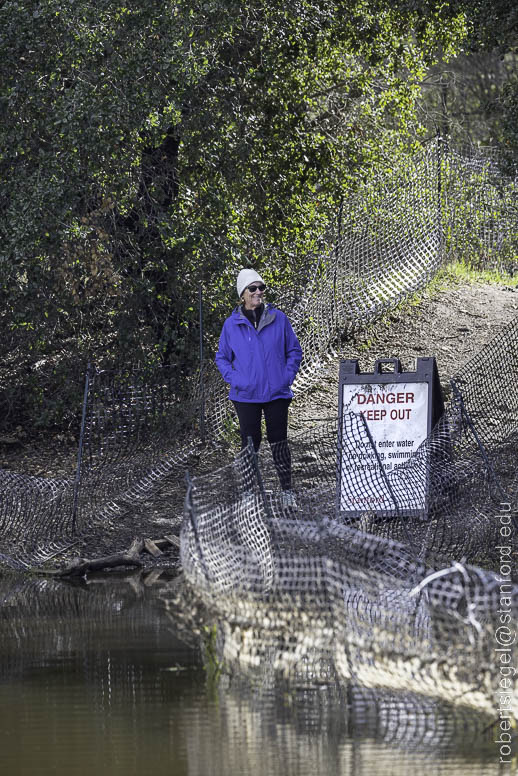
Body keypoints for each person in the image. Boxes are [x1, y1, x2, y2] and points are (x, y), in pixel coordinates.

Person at [215, 268, 302, 507]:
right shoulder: (231, 325)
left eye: (261, 287)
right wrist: (236, 380)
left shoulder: (278, 318)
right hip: (245, 395)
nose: (258, 292)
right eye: (252, 288)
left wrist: (285, 377)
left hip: (277, 393)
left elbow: (294, 351)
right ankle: (247, 495)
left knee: (279, 441)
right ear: (242, 294)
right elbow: (222, 358)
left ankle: (287, 492)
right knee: (249, 443)